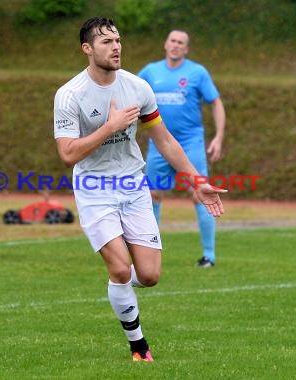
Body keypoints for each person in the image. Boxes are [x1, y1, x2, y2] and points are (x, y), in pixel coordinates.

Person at [53, 17, 226, 362]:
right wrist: (111, 126)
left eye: (117, 39)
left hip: (133, 184)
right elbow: (68, 153)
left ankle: (120, 287)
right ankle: (139, 345)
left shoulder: (137, 88)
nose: (116, 46)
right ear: (87, 49)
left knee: (148, 275)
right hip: (94, 188)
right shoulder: (69, 94)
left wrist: (196, 180)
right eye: (106, 42)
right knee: (119, 268)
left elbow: (163, 140)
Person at [138, 30, 227, 268]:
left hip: (190, 143)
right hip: (159, 143)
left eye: (181, 43)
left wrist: (218, 136)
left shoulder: (197, 72)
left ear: (186, 49)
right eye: (173, 41)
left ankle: (209, 255)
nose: (176, 45)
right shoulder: (150, 72)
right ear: (165, 44)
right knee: (153, 194)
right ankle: (150, 252)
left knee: (200, 193)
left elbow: (216, 102)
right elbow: (129, 95)